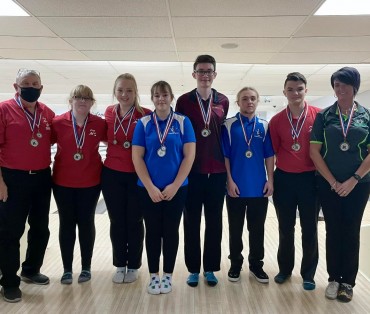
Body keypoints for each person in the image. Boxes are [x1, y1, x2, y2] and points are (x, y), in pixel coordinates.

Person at [310, 67, 370, 303]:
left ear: (354, 87)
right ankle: (334, 279)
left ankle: (348, 283)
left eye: (344, 84)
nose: (340, 89)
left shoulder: (366, 116)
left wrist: (353, 179)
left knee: (351, 230)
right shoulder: (324, 116)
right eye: (336, 85)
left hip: (359, 184)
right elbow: (314, 152)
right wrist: (333, 181)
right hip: (329, 184)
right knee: (333, 230)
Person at [132, 81, 195, 295]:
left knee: (170, 231)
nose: (161, 99)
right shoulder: (143, 123)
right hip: (147, 189)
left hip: (177, 189)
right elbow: (137, 157)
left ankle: (167, 275)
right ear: (152, 98)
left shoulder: (183, 122)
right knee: (152, 232)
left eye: (165, 95)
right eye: (157, 95)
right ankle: (153, 276)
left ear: (171, 97)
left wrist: (175, 185)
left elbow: (189, 156)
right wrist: (149, 187)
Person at [0, 69, 55, 303]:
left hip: (42, 176)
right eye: (26, 83)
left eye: (35, 83)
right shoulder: (3, 110)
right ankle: (9, 281)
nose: (30, 87)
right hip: (13, 178)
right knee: (11, 231)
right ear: (16, 86)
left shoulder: (47, 112)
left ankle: (31, 270)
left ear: (41, 88)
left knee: (41, 227)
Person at [175, 54, 229, 287]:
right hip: (193, 171)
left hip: (217, 172)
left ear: (215, 75)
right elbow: (179, 135)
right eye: (201, 71)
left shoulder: (224, 100)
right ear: (194, 74)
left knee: (215, 222)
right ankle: (193, 269)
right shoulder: (184, 101)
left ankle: (210, 269)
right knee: (192, 222)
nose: (205, 75)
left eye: (209, 71)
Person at [269, 72, 320, 290]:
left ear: (306, 90)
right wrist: (270, 180)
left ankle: (308, 273)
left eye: (299, 88)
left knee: (309, 228)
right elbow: (271, 153)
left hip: (311, 180)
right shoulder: (277, 120)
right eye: (290, 89)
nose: (295, 93)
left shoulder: (319, 116)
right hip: (284, 180)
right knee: (285, 228)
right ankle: (285, 269)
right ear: (284, 92)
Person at [52, 85, 106, 285]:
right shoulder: (57, 123)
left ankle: (86, 267)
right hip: (62, 182)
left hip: (91, 183)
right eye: (78, 97)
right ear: (70, 100)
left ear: (92, 102)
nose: (82, 101)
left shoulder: (100, 124)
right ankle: (67, 269)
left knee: (86, 223)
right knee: (66, 224)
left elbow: (115, 144)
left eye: (87, 98)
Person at [101, 74, 151, 284]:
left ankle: (133, 265)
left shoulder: (146, 114)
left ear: (136, 92)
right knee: (116, 221)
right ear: (115, 91)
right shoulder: (109, 112)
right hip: (112, 174)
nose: (124, 94)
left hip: (137, 175)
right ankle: (119, 264)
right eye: (120, 90)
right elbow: (106, 136)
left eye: (129, 90)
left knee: (135, 221)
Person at [222, 87, 274, 283]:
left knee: (257, 229)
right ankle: (235, 264)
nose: (249, 102)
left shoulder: (264, 126)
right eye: (245, 99)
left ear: (258, 101)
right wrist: (229, 180)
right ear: (238, 102)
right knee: (235, 229)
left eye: (253, 98)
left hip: (259, 188)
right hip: (235, 188)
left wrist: (270, 180)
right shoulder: (228, 125)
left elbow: (269, 155)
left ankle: (256, 265)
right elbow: (225, 156)